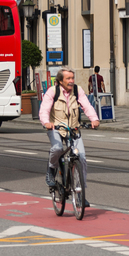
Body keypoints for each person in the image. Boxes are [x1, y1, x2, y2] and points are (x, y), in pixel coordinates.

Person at [40, 67, 100, 207]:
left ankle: (80, 195)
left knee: (82, 157)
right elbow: (44, 109)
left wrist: (94, 119)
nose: (71, 81)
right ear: (60, 81)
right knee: (57, 148)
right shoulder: (52, 92)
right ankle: (51, 169)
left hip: (73, 128)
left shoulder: (77, 91)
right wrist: (46, 122)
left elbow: (87, 106)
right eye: (68, 78)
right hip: (56, 127)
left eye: (72, 78)